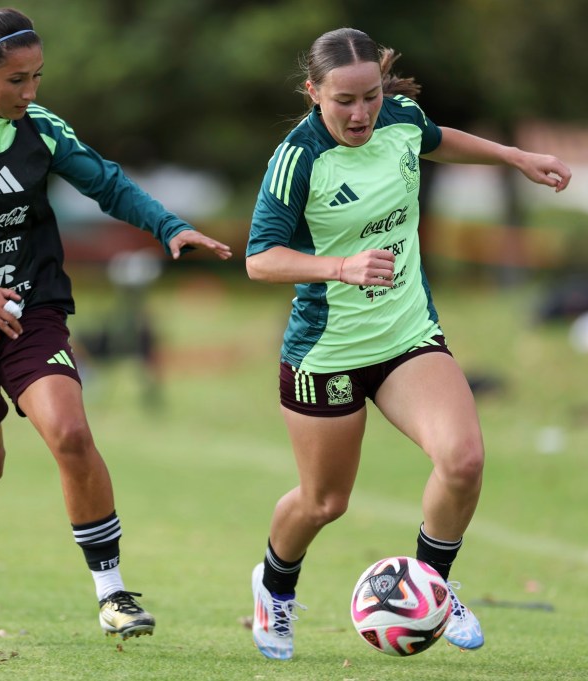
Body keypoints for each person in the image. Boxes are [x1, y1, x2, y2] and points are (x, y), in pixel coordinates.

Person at [0, 7, 232, 640]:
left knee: (69, 432)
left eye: (37, 77)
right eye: (16, 80)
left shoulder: (41, 129)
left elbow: (107, 185)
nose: (31, 93)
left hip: (27, 308)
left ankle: (113, 593)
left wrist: (169, 227)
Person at [245, 27, 571, 660]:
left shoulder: (399, 118)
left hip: (406, 336)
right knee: (323, 502)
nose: (361, 113)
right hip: (326, 352)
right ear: (313, 92)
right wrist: (340, 266)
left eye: (369, 95)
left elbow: (437, 140)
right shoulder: (297, 158)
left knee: (463, 461)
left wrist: (515, 157)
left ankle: (432, 590)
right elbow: (261, 260)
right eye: (344, 100)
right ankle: (274, 587)